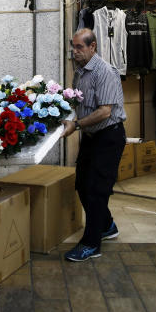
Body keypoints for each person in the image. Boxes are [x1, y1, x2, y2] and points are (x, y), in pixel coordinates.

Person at [60, 28, 127, 262]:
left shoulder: (105, 72)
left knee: (97, 191)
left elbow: (105, 112)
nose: (74, 51)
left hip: (109, 137)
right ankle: (107, 225)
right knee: (82, 184)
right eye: (73, 46)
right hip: (91, 137)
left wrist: (76, 125)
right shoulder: (79, 72)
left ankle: (91, 244)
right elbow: (76, 101)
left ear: (92, 47)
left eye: (79, 47)